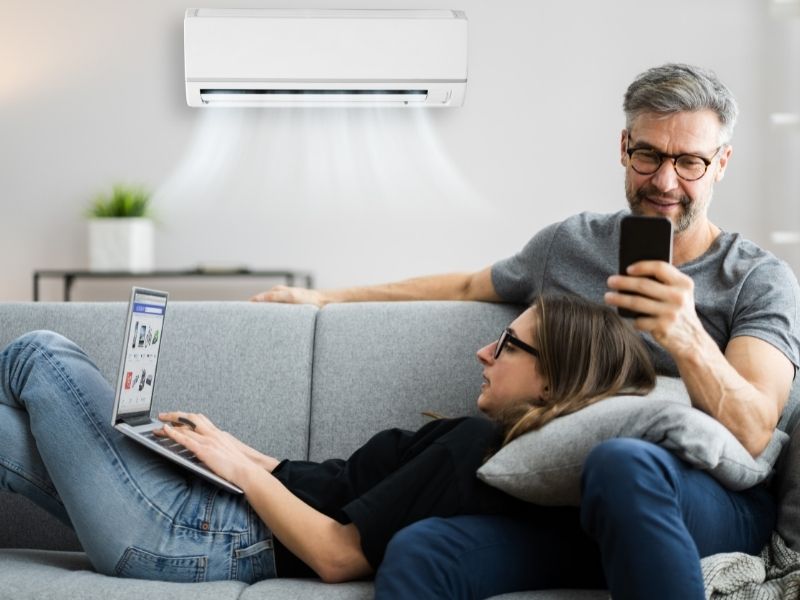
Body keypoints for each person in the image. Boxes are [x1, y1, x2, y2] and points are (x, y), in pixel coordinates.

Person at [252, 63, 800, 599]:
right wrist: (325, 298)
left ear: (722, 162)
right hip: (567, 510)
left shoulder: (756, 279)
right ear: (623, 147)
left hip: (700, 505)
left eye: (689, 163)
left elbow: (753, 431)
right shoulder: (571, 245)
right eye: (648, 154)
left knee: (621, 462)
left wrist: (686, 336)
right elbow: (469, 285)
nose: (663, 180)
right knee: (421, 549)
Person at [0, 295, 653, 584]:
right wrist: (232, 448)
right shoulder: (482, 441)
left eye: (509, 344)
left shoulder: (478, 448)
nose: (485, 351)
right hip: (206, 513)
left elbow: (340, 556)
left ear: (556, 377)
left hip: (197, 536)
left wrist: (241, 471)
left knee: (41, 351)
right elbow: (333, 485)